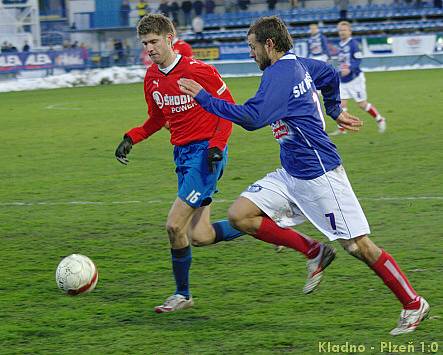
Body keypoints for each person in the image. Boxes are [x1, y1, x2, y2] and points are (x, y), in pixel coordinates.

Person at [178, 16, 429, 336]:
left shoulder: (279, 74)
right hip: (291, 173)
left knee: (359, 247)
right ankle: (313, 249)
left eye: (252, 47)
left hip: (319, 174)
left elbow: (253, 118)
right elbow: (329, 74)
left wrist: (203, 97)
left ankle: (412, 303)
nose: (250, 54)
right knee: (241, 214)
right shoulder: (299, 64)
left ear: (269, 44)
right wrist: (334, 109)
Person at [114, 13, 246, 314]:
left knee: (174, 226)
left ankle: (182, 294)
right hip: (183, 157)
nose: (149, 48)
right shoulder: (151, 78)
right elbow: (158, 118)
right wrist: (131, 138)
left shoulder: (199, 71)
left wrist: (216, 147)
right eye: (144, 43)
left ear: (169, 39)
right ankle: (262, 223)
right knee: (200, 236)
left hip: (206, 156)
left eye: (154, 41)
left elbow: (229, 110)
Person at [331, 21, 386, 135]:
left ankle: (380, 119)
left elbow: (358, 60)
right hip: (343, 80)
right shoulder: (340, 45)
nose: (342, 32)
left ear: (350, 31)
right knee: (341, 104)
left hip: (355, 79)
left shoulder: (354, 44)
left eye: (344, 30)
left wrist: (349, 69)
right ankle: (342, 129)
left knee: (362, 104)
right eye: (340, 30)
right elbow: (341, 62)